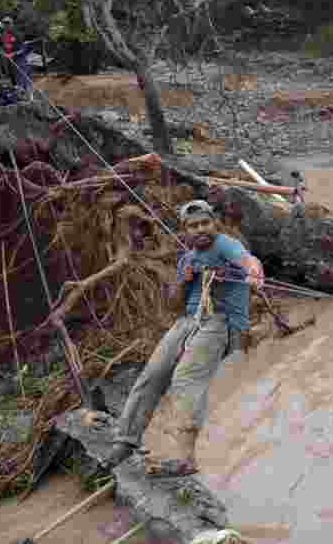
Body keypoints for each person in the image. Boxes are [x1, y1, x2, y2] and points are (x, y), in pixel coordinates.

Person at [101, 200, 265, 477]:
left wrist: (253, 272)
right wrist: (183, 280)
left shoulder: (225, 245)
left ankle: (184, 459)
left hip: (220, 323)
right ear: (184, 231)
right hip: (187, 321)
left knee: (186, 378)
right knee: (152, 375)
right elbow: (174, 305)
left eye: (205, 223)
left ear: (214, 224)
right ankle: (125, 441)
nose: (200, 229)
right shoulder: (187, 259)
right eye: (193, 226)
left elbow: (246, 259)